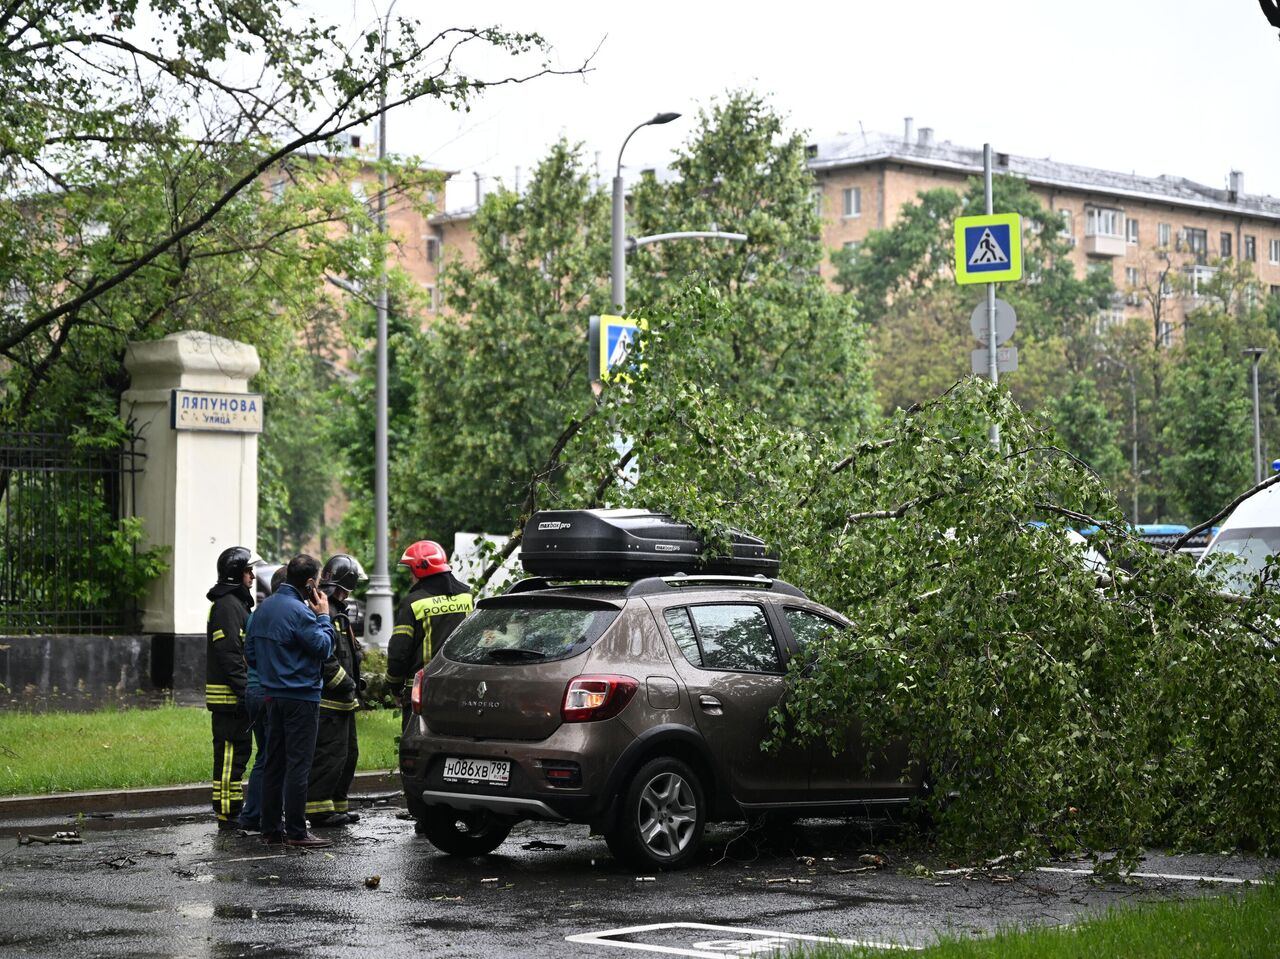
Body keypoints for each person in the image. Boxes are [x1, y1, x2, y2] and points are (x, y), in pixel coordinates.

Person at [245, 554, 334, 848]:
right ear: (310, 583)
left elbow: (251, 655)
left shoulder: (263, 609)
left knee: (274, 763)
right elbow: (323, 648)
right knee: (298, 765)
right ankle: (297, 831)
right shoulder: (301, 612)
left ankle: (271, 829)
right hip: (301, 697)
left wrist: (275, 671)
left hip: (272, 696)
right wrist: (324, 616)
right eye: (318, 581)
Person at [305, 554, 365, 827]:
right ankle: (318, 809)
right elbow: (326, 660)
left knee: (347, 755)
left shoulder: (337, 612)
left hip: (343, 702)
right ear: (345, 585)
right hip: (329, 702)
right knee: (329, 755)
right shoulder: (326, 613)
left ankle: (337, 805)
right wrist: (347, 683)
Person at [387, 540, 473, 730]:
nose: (411, 577)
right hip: (462, 686)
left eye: (411, 570)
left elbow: (399, 651)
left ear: (421, 569)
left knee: (418, 744)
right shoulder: (467, 598)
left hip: (423, 689)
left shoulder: (413, 603)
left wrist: (394, 686)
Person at [205, 545, 259, 829]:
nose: (252, 575)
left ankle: (232, 809)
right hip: (229, 699)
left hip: (236, 697)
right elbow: (229, 654)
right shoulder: (227, 606)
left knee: (238, 754)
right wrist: (245, 690)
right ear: (237, 574)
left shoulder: (235, 604)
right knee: (228, 756)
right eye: (249, 570)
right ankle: (227, 812)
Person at [237, 564, 287, 833]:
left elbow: (248, 654)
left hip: (254, 691)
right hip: (270, 692)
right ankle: (261, 814)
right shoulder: (284, 613)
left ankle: (254, 814)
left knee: (264, 755)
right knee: (273, 756)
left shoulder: (257, 614)